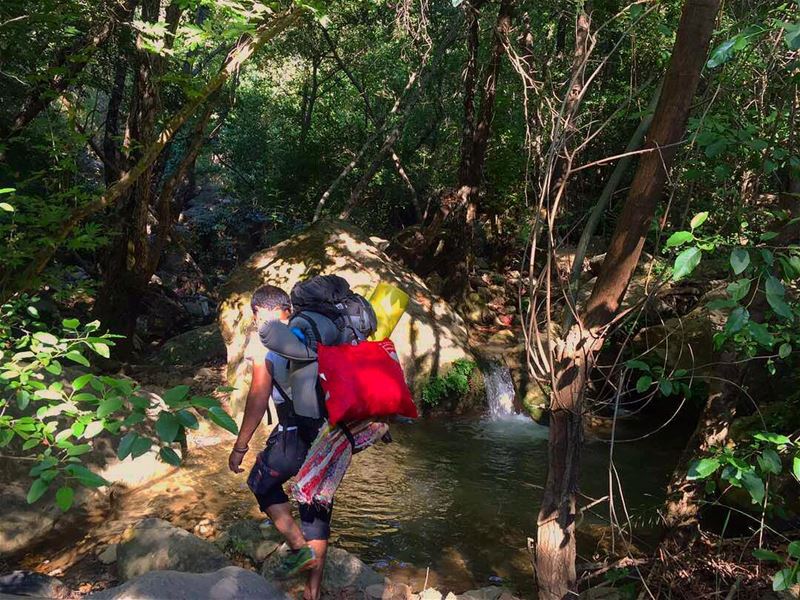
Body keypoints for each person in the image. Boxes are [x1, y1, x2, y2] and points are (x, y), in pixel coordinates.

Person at [227, 285, 331, 600]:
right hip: (331, 431)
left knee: (261, 482)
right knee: (315, 505)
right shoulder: (315, 331)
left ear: (266, 311)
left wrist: (240, 445)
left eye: (256, 314)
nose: (256, 321)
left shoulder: (268, 341)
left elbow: (258, 397)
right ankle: (312, 593)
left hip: (295, 431)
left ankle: (301, 549)